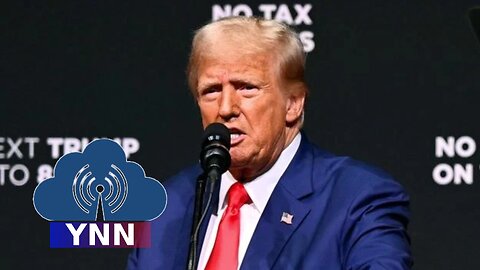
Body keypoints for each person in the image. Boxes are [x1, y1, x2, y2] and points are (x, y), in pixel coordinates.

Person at [127, 16, 412, 270]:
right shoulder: (165, 208)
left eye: (246, 88)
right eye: (211, 91)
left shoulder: (357, 199)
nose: (226, 108)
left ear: (293, 104)